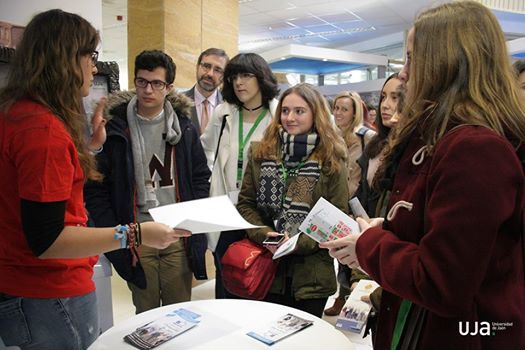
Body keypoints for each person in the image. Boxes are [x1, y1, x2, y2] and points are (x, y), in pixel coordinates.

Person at [321, 2, 525, 349]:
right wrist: (386, 230)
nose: (403, 74)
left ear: (445, 63)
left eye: (413, 58)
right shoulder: (446, 139)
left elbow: (442, 281)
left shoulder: (474, 148)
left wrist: (369, 244)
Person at [0, 10, 187, 350]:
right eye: (90, 56)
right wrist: (135, 233)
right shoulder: (43, 130)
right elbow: (48, 238)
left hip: (27, 286)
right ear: (66, 60)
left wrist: (88, 148)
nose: (94, 68)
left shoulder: (18, 113)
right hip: (51, 292)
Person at [85, 50, 211, 314]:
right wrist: (115, 233)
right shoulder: (116, 127)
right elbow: (97, 187)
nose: (148, 90)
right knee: (146, 315)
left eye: (157, 83)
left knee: (178, 314)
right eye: (142, 81)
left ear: (169, 87)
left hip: (176, 234)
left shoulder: (185, 127)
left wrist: (190, 218)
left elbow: (200, 176)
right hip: (135, 236)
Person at [237, 83, 349, 318]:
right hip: (266, 270)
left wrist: (297, 243)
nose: (290, 117)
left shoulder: (331, 157)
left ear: (314, 114)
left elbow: (337, 213)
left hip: (311, 277)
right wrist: (265, 234)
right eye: (285, 111)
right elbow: (246, 204)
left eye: (299, 111)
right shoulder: (261, 152)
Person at [200, 53, 279, 298]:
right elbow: (205, 149)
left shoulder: (277, 116)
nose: (239, 83)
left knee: (261, 279)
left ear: (262, 78)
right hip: (226, 210)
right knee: (227, 277)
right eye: (234, 76)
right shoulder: (224, 113)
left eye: (246, 75)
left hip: (261, 211)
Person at [324, 90, 374, 316]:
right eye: (336, 108)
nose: (339, 113)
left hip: (359, 202)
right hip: (337, 202)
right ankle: (341, 296)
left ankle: (356, 297)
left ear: (354, 111)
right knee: (339, 252)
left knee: (356, 252)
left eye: (345, 109)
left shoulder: (365, 137)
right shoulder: (331, 136)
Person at [355, 73, 402, 218]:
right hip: (363, 228)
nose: (385, 105)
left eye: (395, 98)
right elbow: (363, 191)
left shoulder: (412, 150)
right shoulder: (376, 143)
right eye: (383, 97)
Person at [183, 48, 229, 134]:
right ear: (197, 67)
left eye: (218, 70)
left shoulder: (229, 107)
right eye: (206, 66)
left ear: (224, 76)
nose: (210, 74)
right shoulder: (177, 103)